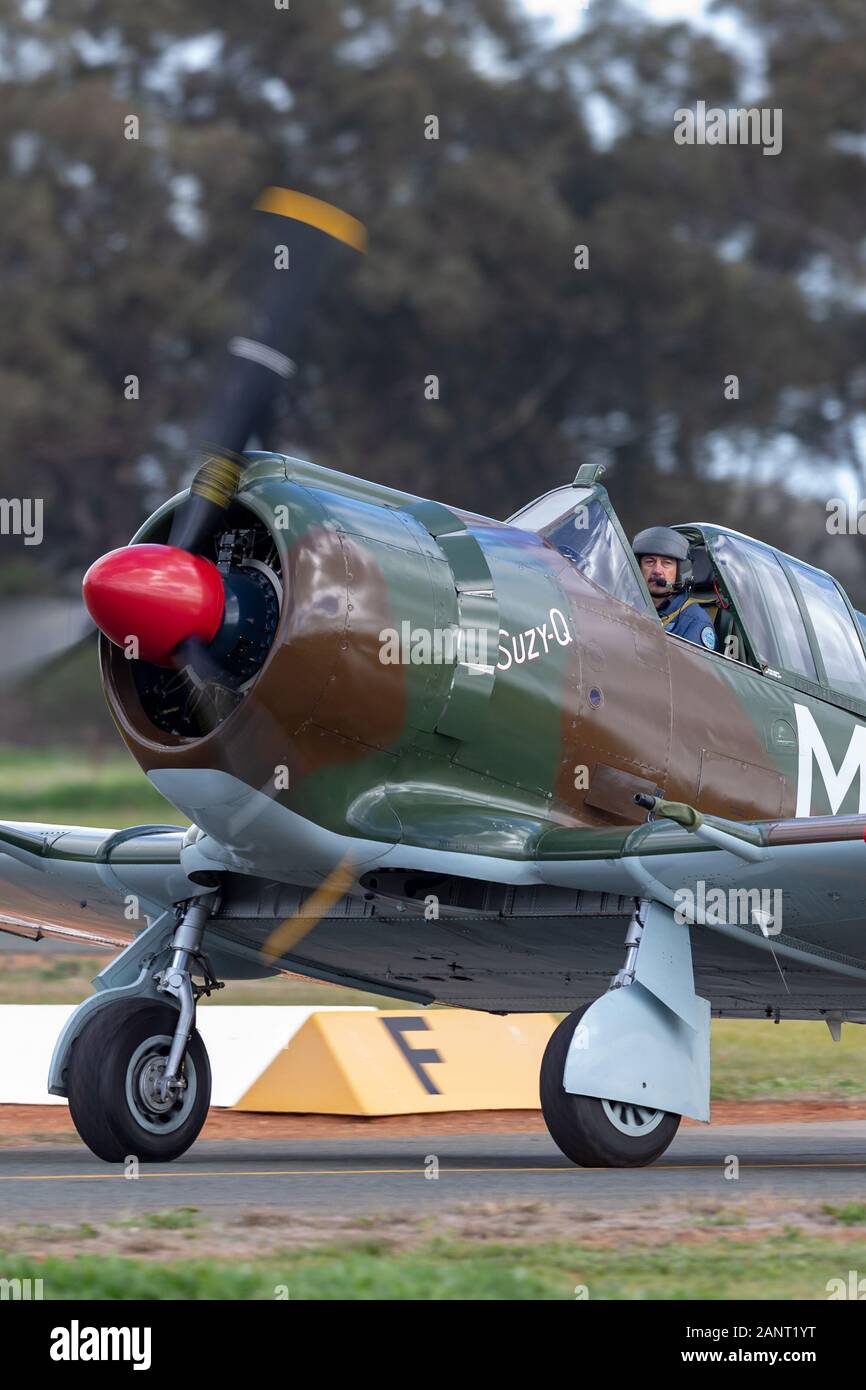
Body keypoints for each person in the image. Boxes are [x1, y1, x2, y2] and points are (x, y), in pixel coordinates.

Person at [632, 527, 717, 651]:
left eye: (666, 563)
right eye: (650, 562)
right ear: (638, 566)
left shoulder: (695, 622)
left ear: (680, 571)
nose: (657, 571)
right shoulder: (625, 605)